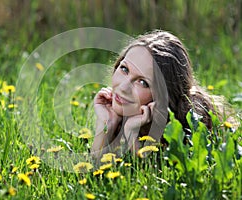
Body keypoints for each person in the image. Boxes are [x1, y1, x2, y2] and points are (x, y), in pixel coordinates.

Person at [91, 30, 221, 159]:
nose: (124, 87)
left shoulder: (187, 133)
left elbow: (153, 177)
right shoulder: (118, 118)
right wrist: (106, 126)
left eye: (142, 82)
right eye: (124, 69)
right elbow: (94, 173)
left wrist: (132, 137)